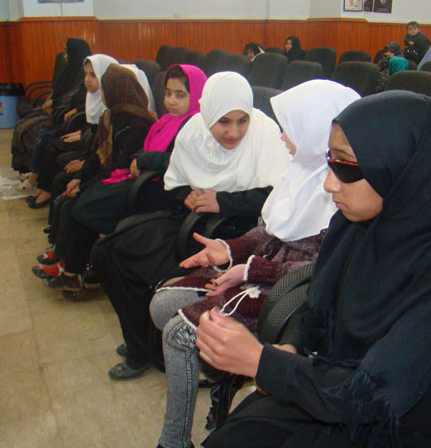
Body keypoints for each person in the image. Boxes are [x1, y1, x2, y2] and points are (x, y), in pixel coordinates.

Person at [198, 90, 431, 448]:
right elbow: (315, 304)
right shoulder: (359, 223)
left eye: (346, 165)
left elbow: (378, 393)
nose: (329, 183)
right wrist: (291, 347)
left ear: (399, 166)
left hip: (391, 422)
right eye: (330, 160)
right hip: (332, 386)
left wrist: (262, 363)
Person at [149, 80, 361, 448]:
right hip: (259, 273)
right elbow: (269, 231)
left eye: (289, 128)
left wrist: (249, 270)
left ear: (314, 133)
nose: (281, 136)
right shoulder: (300, 171)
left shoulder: (342, 190)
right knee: (161, 304)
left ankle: (174, 442)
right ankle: (221, 372)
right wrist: (227, 249)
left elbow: (319, 272)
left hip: (288, 297)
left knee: (177, 334)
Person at [90, 72, 290, 380]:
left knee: (128, 258)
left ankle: (145, 349)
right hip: (192, 221)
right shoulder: (194, 130)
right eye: (223, 121)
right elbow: (177, 180)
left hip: (232, 234)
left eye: (242, 121)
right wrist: (188, 195)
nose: (234, 132)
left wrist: (222, 201)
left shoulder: (265, 133)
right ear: (208, 113)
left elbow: (278, 195)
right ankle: (143, 342)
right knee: (105, 253)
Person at [36, 64, 156, 292]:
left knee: (77, 206)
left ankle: (72, 270)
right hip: (110, 178)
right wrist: (80, 179)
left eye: (105, 88)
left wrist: (85, 186)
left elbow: (120, 167)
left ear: (116, 90)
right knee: (69, 198)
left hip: (125, 185)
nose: (102, 94)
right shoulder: (111, 116)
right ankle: (65, 259)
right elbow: (96, 154)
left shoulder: (139, 123)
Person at [70, 64, 207, 236]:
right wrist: (137, 157)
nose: (171, 101)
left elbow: (176, 159)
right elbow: (148, 143)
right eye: (168, 93)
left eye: (180, 95)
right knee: (90, 198)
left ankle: (108, 241)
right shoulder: (166, 120)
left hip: (164, 189)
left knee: (93, 205)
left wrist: (143, 160)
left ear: (197, 95)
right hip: (146, 177)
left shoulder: (196, 126)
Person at [26, 54, 119, 208]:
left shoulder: (111, 101)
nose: (87, 80)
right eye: (86, 74)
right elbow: (92, 126)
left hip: (94, 150)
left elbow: (105, 144)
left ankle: (47, 191)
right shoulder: (92, 97)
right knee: (49, 142)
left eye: (93, 75)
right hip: (89, 142)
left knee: (53, 148)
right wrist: (82, 133)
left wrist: (85, 161)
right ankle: (43, 187)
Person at [12, 38, 91, 175]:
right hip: (62, 113)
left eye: (68, 53)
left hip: (66, 117)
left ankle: (36, 174)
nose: (65, 57)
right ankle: (29, 170)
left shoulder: (84, 77)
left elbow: (77, 101)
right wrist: (52, 102)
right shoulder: (69, 71)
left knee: (35, 133)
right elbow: (60, 92)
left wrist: (56, 108)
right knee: (22, 125)